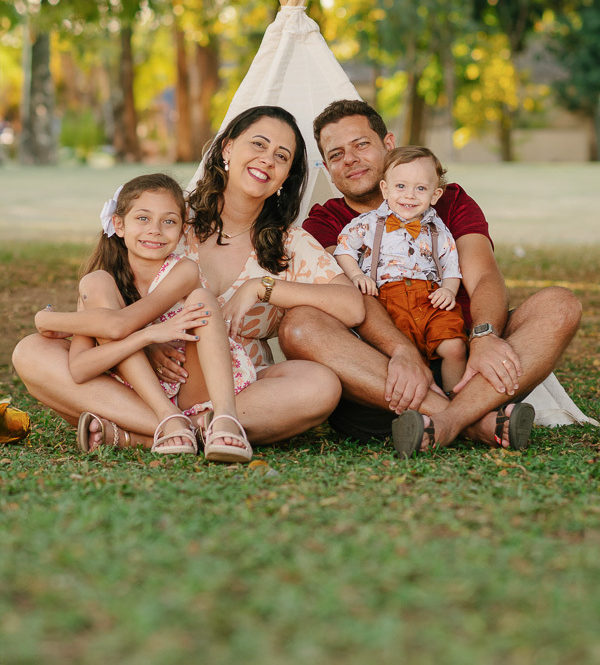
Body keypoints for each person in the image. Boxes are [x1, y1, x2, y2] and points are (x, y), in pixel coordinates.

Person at [13, 107, 365, 451]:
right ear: (227, 148)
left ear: (286, 175)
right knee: (32, 353)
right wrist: (145, 344)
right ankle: (183, 428)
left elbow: (351, 307)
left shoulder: (290, 242)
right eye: (258, 144)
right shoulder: (170, 218)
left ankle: (142, 433)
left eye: (281, 156)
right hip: (139, 375)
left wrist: (262, 286)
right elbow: (105, 292)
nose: (267, 160)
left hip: (239, 388)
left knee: (320, 385)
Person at [277, 99, 581, 455]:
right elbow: (353, 297)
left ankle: (448, 422)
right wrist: (402, 351)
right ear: (327, 169)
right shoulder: (325, 222)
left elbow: (483, 276)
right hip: (382, 381)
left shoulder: (449, 201)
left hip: (470, 370)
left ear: (388, 145)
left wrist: (484, 336)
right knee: (299, 325)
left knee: (560, 305)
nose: (351, 159)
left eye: (361, 144)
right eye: (336, 154)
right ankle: (476, 422)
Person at [34, 173, 253, 462]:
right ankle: (168, 421)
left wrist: (46, 320)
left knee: (201, 299)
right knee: (94, 283)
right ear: (119, 225)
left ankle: (225, 419)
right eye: (143, 218)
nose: (156, 230)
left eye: (169, 221)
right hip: (140, 395)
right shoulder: (100, 286)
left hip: (192, 379)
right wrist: (149, 337)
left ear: (182, 228)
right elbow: (80, 368)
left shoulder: (183, 271)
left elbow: (117, 325)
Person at [334, 146, 468, 395]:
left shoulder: (438, 229)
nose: (410, 196)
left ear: (435, 194)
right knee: (403, 356)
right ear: (385, 189)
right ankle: (429, 402)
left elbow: (451, 266)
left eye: (420, 188)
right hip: (386, 301)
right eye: (401, 187)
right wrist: (357, 275)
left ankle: (457, 399)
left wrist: (449, 291)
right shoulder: (368, 223)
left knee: (455, 348)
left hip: (430, 300)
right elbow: (343, 250)